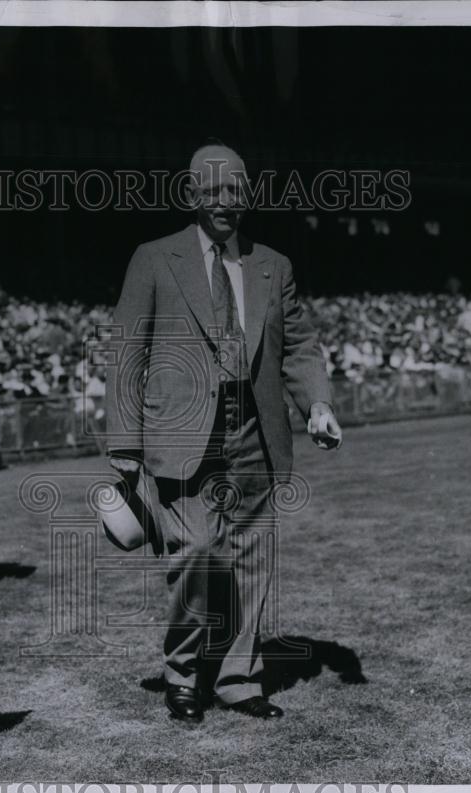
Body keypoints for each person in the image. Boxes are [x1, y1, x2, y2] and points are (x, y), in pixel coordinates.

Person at [104, 143, 343, 723]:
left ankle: (239, 679)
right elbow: (126, 353)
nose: (225, 203)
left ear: (248, 197)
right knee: (199, 552)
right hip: (181, 434)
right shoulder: (154, 259)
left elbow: (298, 345)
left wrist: (317, 403)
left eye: (235, 192)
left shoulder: (273, 266)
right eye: (213, 193)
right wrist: (125, 446)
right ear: (192, 197)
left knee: (252, 559)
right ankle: (183, 674)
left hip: (254, 435)